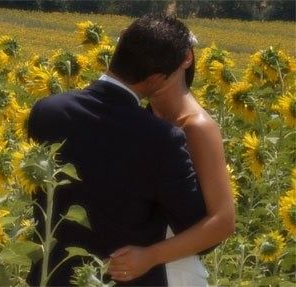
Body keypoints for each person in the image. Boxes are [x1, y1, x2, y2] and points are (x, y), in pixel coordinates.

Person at [25, 14, 221, 286]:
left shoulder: (46, 112)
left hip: (51, 274)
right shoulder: (161, 139)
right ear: (155, 78)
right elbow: (200, 231)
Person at [106, 37, 235, 284]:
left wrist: (149, 257)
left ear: (187, 58)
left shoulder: (196, 126)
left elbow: (223, 221)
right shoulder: (141, 119)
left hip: (173, 271)